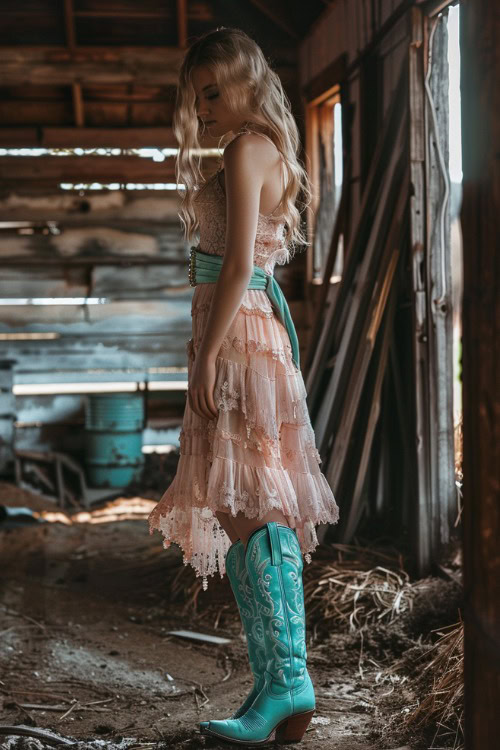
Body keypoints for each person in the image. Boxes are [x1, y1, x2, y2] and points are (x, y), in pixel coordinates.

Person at [148, 26, 339, 745]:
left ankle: (287, 679)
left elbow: (234, 269)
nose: (201, 108)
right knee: (252, 509)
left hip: (238, 342)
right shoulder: (265, 148)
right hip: (248, 334)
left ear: (244, 84)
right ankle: (278, 681)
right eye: (196, 97)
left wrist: (202, 361)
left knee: (248, 506)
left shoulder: (243, 148)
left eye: (211, 93)